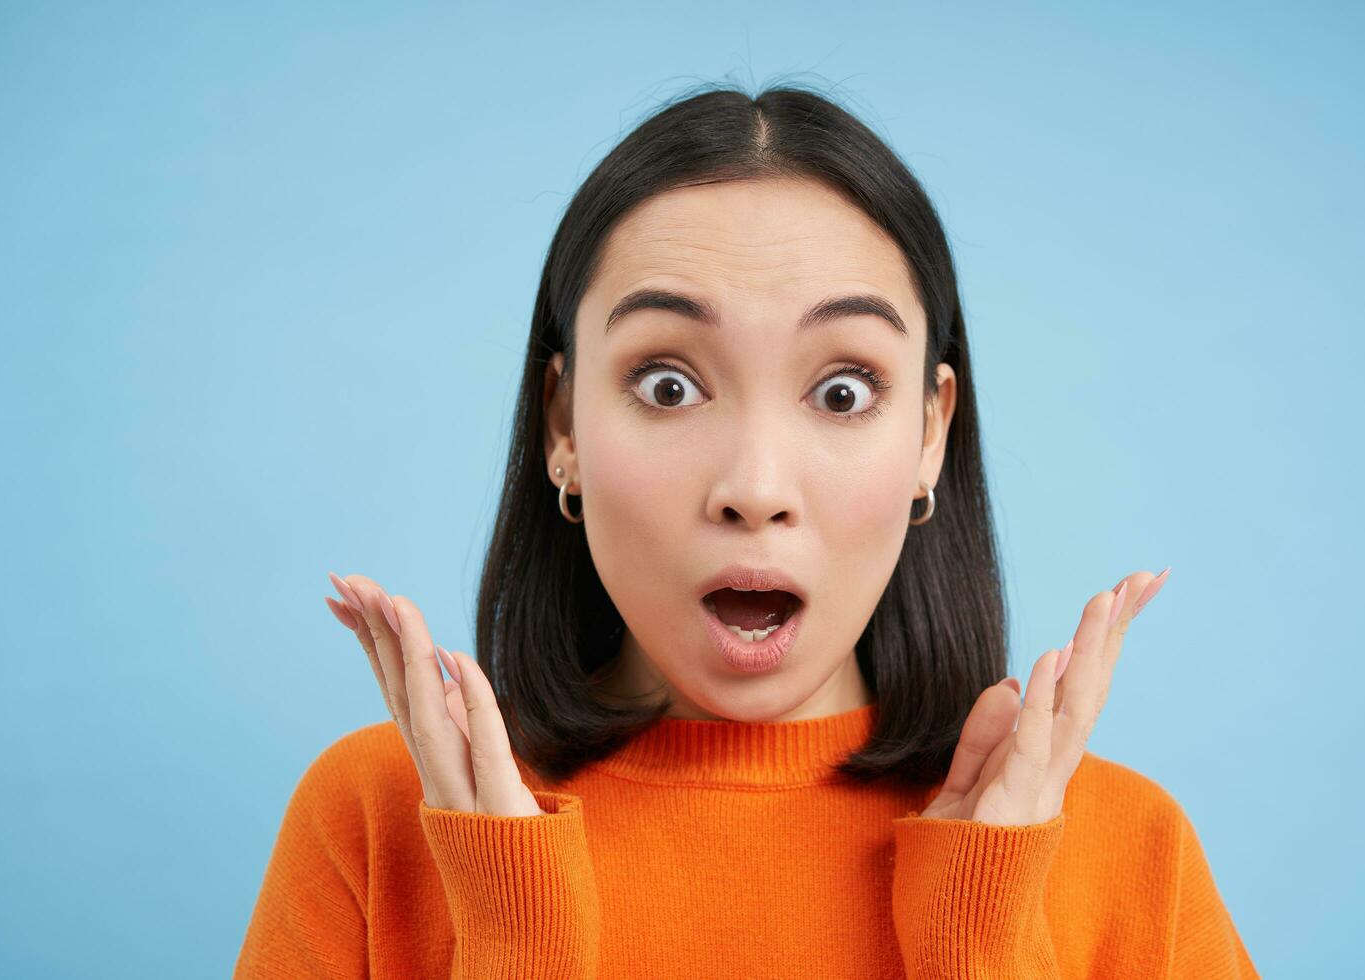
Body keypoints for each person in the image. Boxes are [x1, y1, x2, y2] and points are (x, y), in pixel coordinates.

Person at [235, 84, 1260, 979]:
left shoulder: (1125, 851)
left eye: (844, 389)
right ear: (563, 427)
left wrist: (984, 945)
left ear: (929, 436)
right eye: (668, 383)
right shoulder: (379, 818)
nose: (754, 487)